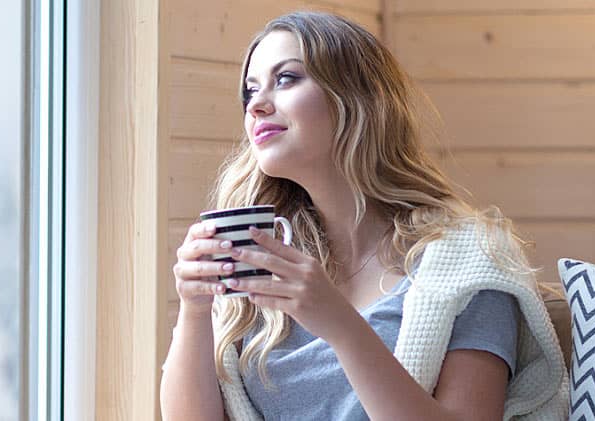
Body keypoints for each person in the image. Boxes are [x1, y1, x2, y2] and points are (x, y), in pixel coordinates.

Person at [160, 11, 568, 421]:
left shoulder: (468, 262)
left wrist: (340, 324)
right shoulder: (263, 257)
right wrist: (194, 309)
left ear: (355, 97)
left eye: (285, 79)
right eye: (250, 92)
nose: (257, 106)